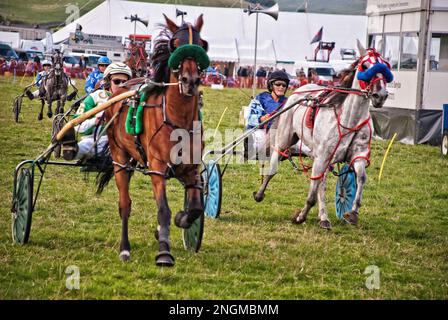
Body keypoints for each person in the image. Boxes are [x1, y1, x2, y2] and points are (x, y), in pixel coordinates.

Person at [71, 62, 132, 161]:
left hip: (124, 142)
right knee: (82, 147)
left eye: (124, 82)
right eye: (117, 81)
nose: (121, 85)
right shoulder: (95, 96)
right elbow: (77, 126)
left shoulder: (131, 100)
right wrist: (94, 121)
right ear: (108, 81)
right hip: (95, 141)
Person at [245, 70, 290, 160]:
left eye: (284, 85)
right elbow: (250, 119)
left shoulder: (289, 102)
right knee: (259, 137)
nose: (281, 87)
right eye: (278, 84)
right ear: (271, 85)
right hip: (263, 132)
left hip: (282, 134)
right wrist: (262, 119)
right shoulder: (260, 98)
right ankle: (249, 146)